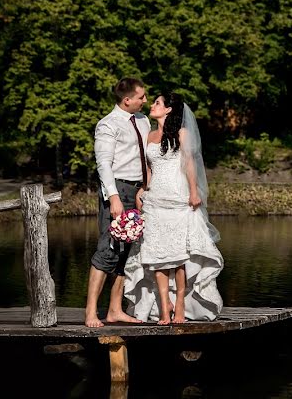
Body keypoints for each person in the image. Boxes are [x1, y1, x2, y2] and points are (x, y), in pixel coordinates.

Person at [123, 92, 223, 323]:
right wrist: (143, 190)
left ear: (168, 109)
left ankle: (179, 304)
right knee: (157, 253)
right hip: (155, 198)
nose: (153, 105)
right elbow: (149, 169)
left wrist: (194, 191)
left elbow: (189, 164)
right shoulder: (150, 135)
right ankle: (163, 305)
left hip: (178, 198)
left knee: (178, 256)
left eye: (157, 103)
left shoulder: (182, 133)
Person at [84, 77, 150, 327]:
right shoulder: (108, 125)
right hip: (117, 190)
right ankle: (91, 312)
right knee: (107, 249)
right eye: (141, 97)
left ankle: (114, 310)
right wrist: (113, 197)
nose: (145, 101)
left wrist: (144, 188)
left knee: (127, 252)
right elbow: (103, 165)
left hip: (137, 192)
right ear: (127, 100)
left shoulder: (143, 121)